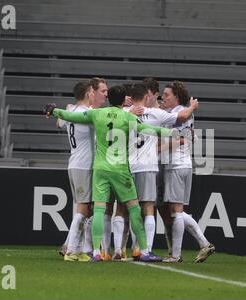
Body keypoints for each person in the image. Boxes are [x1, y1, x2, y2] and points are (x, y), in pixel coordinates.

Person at [45, 85, 176, 262]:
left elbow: (71, 116)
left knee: (99, 209)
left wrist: (54, 111)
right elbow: (149, 129)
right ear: (124, 101)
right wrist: (172, 132)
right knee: (134, 209)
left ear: (109, 99)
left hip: (100, 168)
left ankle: (98, 252)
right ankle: (144, 251)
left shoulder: (96, 114)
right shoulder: (128, 116)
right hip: (120, 169)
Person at [111, 83, 198, 260]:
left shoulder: (124, 113)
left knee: (122, 208)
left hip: (127, 166)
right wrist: (192, 107)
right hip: (148, 166)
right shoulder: (156, 114)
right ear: (146, 97)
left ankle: (118, 251)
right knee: (148, 208)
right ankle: (145, 250)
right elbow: (181, 116)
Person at [58, 78, 108, 258]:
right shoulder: (87, 113)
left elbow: (59, 122)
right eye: (93, 91)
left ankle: (75, 247)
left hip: (74, 163)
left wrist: (67, 108)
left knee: (85, 207)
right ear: (89, 93)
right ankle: (71, 249)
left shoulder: (71, 111)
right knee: (83, 208)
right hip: (84, 165)